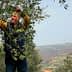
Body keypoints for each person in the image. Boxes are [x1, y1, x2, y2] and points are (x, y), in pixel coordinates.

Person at [0, 5, 30, 72]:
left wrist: (21, 12)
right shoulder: (6, 26)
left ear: (18, 18)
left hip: (21, 57)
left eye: (14, 16)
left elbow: (27, 20)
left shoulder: (23, 26)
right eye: (12, 16)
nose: (12, 18)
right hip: (10, 57)